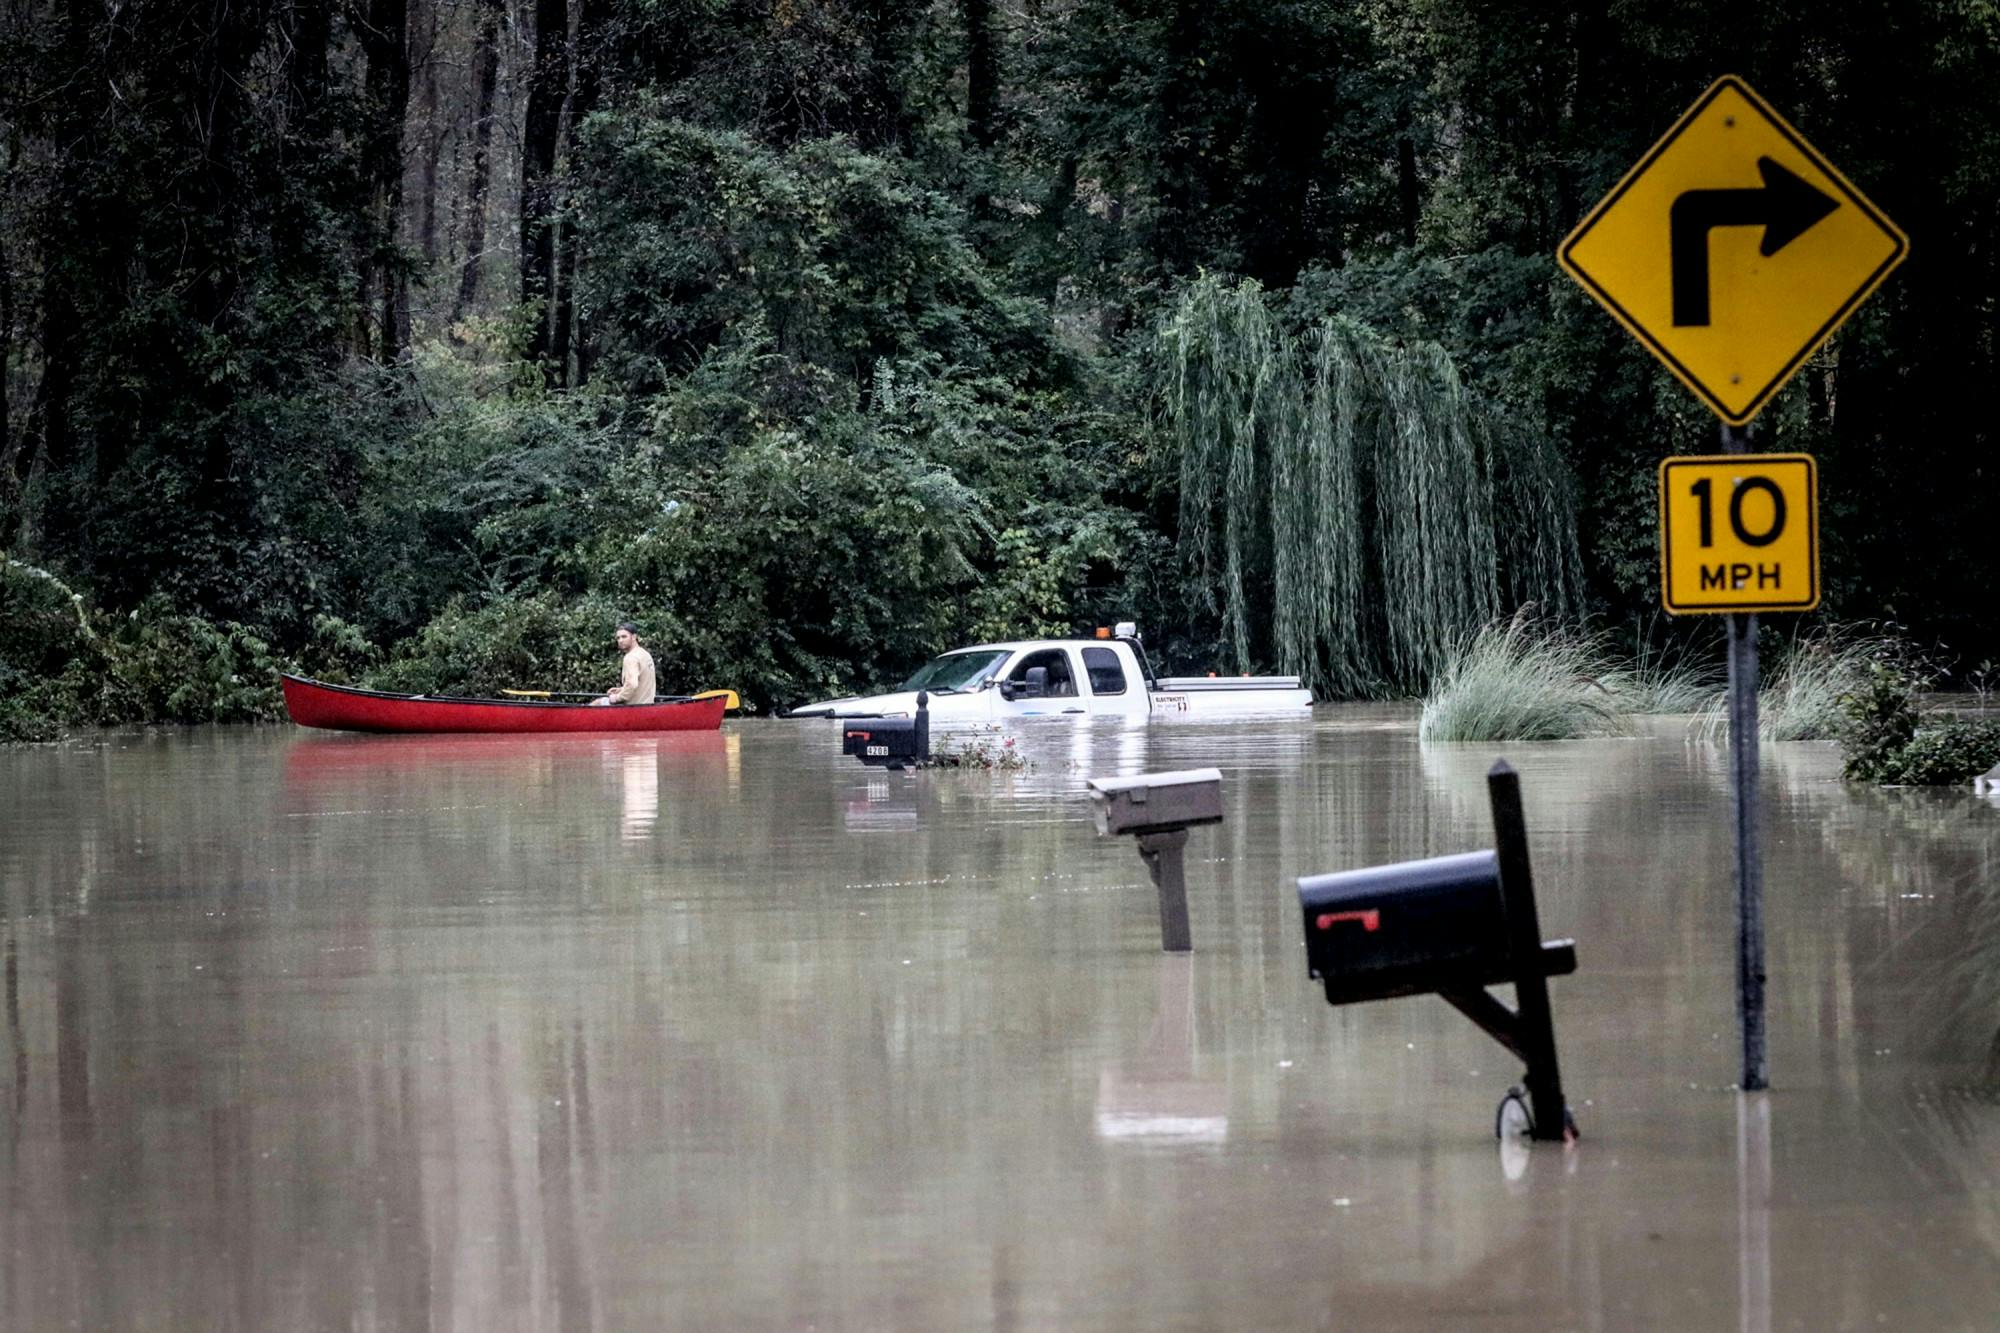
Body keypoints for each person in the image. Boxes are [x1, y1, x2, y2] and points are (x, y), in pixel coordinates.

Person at [591, 622, 657, 705]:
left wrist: (616, 698)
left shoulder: (631, 657)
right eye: (618, 638)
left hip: (633, 709)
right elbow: (641, 684)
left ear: (634, 637)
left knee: (596, 703)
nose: (620, 640)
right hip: (648, 706)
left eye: (624, 637)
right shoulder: (645, 654)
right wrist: (621, 690)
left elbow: (632, 684)